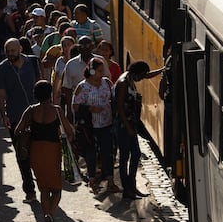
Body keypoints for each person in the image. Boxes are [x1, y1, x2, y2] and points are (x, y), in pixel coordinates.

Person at [15, 80, 73, 222]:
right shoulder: (57, 110)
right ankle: (50, 215)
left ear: (35, 94)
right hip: (52, 151)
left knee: (43, 188)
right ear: (50, 94)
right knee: (57, 190)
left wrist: (27, 135)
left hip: (36, 150)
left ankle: (46, 214)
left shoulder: (31, 110)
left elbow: (17, 130)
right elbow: (69, 131)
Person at [0, 38, 41, 203]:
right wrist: (4, 115)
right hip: (16, 117)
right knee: (23, 155)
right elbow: (0, 96)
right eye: (8, 51)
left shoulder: (33, 63)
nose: (10, 54)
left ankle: (43, 184)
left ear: (20, 48)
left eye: (13, 51)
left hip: (37, 115)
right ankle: (30, 190)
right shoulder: (1, 69)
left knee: (39, 151)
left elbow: (40, 85)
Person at [115, 61, 163, 199]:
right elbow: (119, 107)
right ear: (136, 73)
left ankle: (132, 185)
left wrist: (162, 69)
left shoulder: (131, 78)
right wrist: (128, 127)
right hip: (124, 126)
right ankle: (127, 189)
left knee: (135, 155)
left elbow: (147, 76)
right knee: (125, 157)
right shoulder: (124, 82)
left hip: (131, 124)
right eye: (141, 76)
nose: (142, 79)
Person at [73, 58, 121, 194]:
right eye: (99, 71)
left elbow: (113, 98)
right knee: (91, 153)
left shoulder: (106, 83)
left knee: (107, 152)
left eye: (102, 71)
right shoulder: (83, 87)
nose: (102, 73)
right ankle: (92, 180)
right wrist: (89, 109)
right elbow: (75, 106)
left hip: (106, 124)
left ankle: (110, 181)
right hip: (90, 126)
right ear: (92, 71)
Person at [62, 36, 110, 122]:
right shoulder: (71, 64)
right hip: (81, 110)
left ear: (92, 47)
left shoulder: (101, 61)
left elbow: (108, 82)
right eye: (82, 46)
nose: (85, 48)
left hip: (102, 111)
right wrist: (69, 110)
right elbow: (67, 89)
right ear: (78, 48)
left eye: (87, 45)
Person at [52, 36, 75, 106]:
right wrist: (55, 98)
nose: (67, 48)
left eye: (69, 45)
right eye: (64, 46)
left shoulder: (77, 60)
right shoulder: (59, 61)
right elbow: (57, 79)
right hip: (63, 94)